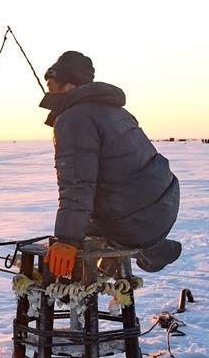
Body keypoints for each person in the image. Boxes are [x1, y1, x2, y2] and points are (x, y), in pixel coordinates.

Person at [39, 51, 182, 278]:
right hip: (163, 206)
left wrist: (66, 240)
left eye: (51, 85)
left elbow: (77, 184)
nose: (48, 93)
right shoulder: (115, 110)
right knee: (89, 219)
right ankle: (145, 247)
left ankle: (86, 276)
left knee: (79, 231)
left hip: (134, 218)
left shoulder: (74, 118)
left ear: (68, 85)